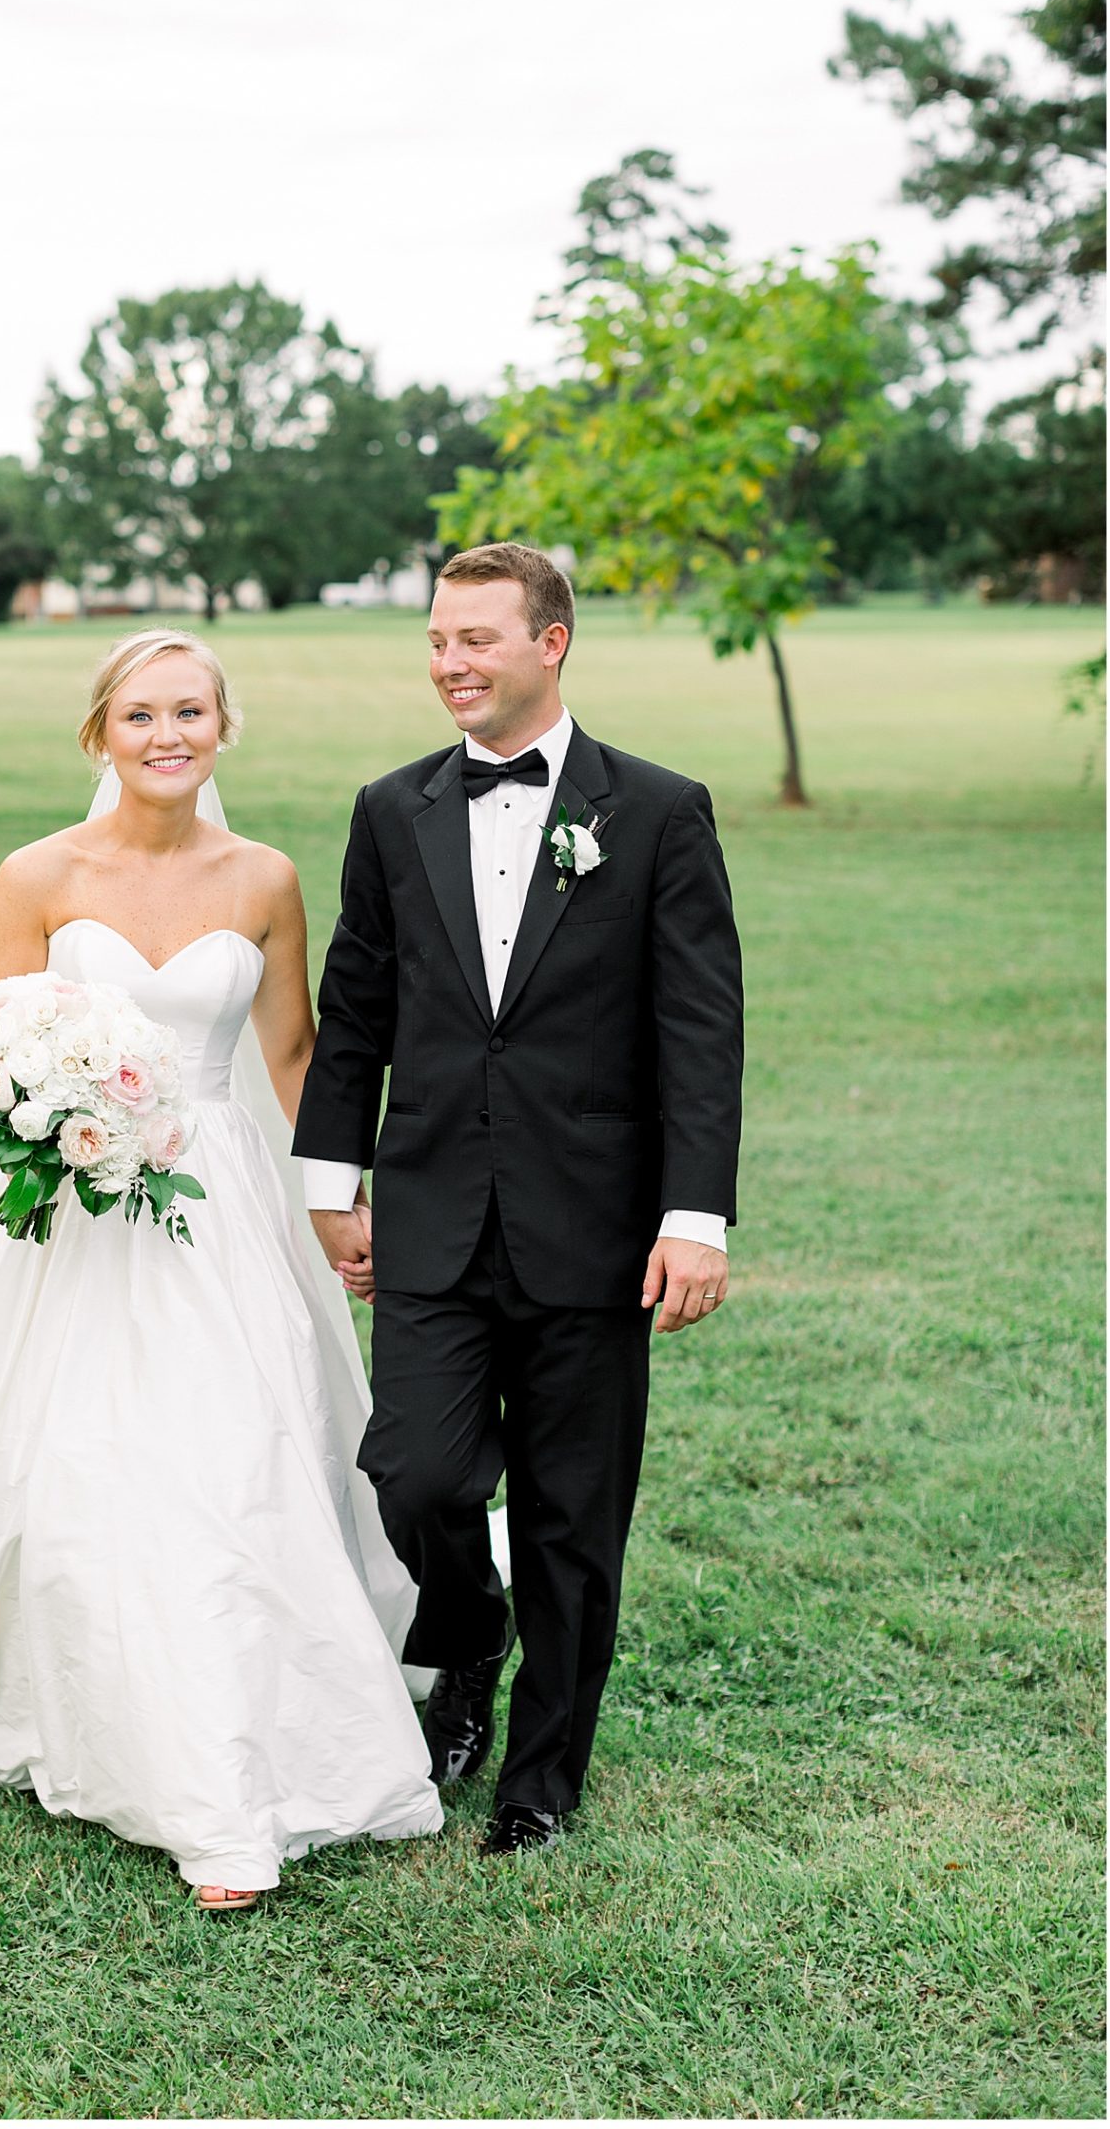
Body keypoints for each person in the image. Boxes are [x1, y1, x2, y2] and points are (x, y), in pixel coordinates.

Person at [0, 628, 444, 1912]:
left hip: (221, 1202)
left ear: (224, 728)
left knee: (229, 1454)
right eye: (140, 715)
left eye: (191, 710)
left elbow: (293, 1058)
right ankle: (178, 1772)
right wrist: (57, 1126)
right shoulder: (35, 874)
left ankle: (228, 1746)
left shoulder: (268, 878)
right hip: (65, 1208)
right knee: (71, 1454)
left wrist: (340, 1203)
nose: (167, 734)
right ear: (98, 735)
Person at [294, 541, 743, 1859]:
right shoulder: (390, 809)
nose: (449, 661)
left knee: (570, 1512)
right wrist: (333, 1185)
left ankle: (541, 1773)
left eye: (476, 639)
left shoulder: (657, 812)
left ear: (550, 643)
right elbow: (356, 1012)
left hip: (595, 1225)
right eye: (437, 639)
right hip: (430, 1213)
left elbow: (698, 1034)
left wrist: (693, 1218)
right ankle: (466, 1632)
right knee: (417, 1474)